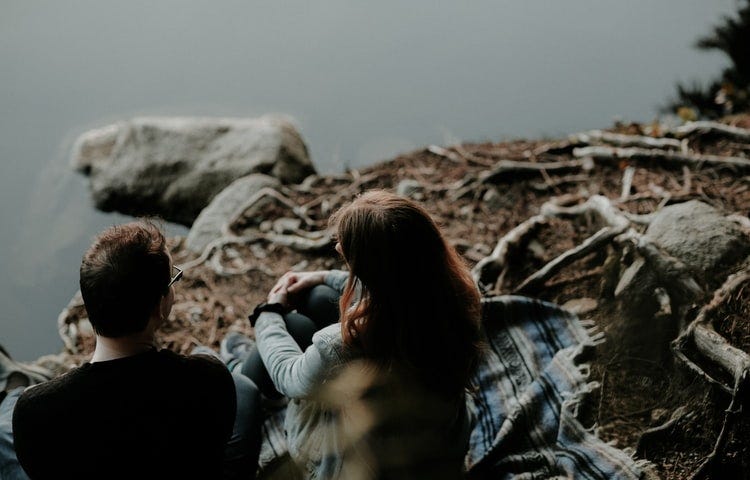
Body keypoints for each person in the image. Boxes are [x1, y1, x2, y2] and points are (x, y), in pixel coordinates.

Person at [233, 189, 483, 479]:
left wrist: (268, 313)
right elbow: (401, 286)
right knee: (318, 296)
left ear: (372, 268)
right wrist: (323, 277)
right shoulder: (462, 299)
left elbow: (289, 376)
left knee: (291, 330)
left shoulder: (340, 345)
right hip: (439, 454)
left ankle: (240, 380)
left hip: (357, 466)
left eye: (346, 249)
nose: (339, 249)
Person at [10, 220, 262, 479]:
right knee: (244, 388)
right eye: (172, 279)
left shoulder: (34, 413)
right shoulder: (206, 379)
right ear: (160, 307)